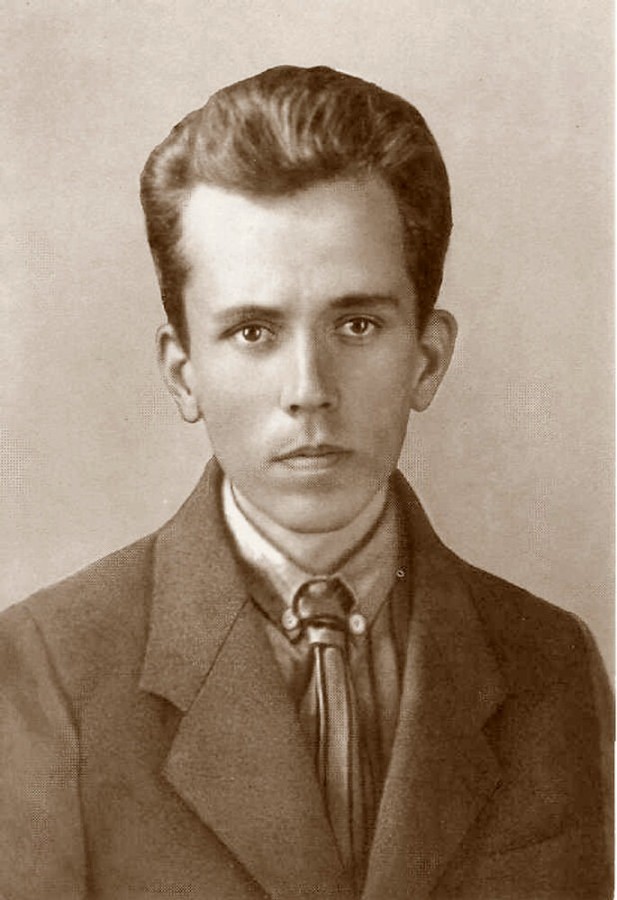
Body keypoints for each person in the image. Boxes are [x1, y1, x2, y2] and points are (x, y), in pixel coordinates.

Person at [0, 65, 612, 900]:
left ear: (426, 359)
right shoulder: (47, 669)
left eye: (356, 325)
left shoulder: (549, 664)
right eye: (253, 331)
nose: (308, 389)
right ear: (183, 373)